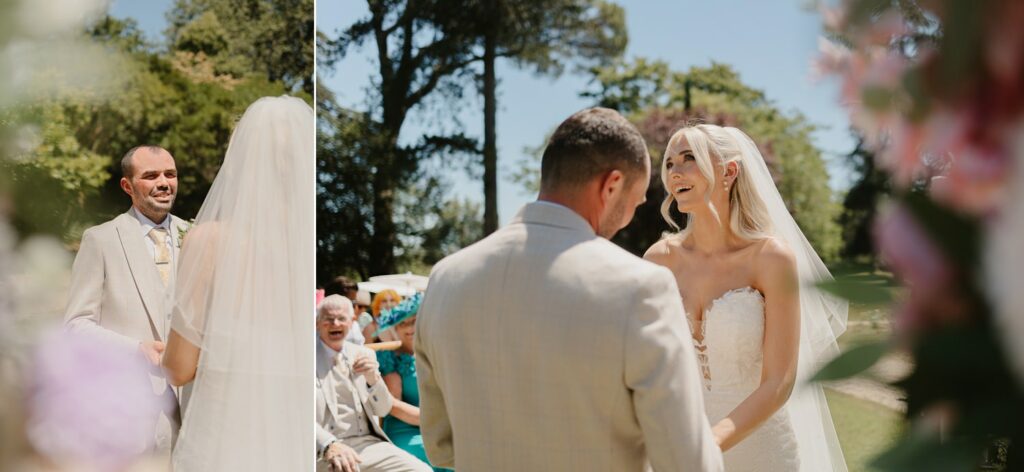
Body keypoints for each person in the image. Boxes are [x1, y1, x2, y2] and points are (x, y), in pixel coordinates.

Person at [414, 107, 724, 471]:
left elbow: (439, 447)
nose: (628, 220)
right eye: (634, 203)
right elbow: (686, 462)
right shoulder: (641, 287)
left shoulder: (445, 279)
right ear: (611, 186)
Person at [644, 124, 848, 471]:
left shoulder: (771, 258)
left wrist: (708, 444)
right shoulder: (658, 260)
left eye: (688, 158)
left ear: (730, 171)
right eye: (669, 163)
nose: (674, 172)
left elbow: (779, 382)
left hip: (760, 452)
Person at [160, 96, 314, 470]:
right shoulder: (305, 250)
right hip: (290, 437)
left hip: (223, 438)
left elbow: (179, 369)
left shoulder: (209, 241)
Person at [63, 144, 187, 458]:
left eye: (170, 174)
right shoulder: (100, 240)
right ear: (127, 186)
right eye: (151, 175)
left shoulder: (197, 235)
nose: (163, 182)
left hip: (195, 412)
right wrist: (135, 349)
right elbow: (76, 325)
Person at [315, 295, 431, 472]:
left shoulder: (364, 354)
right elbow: (292, 414)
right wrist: (328, 444)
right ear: (317, 323)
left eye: (341, 318)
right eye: (328, 319)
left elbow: (384, 408)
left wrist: (373, 379)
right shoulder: (305, 360)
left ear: (352, 321)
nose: (336, 324)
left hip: (369, 444)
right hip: (326, 449)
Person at [374, 293, 451, 471]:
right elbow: (392, 405)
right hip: (407, 430)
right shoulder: (391, 358)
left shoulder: (436, 352)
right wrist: (432, 420)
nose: (411, 328)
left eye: (414, 321)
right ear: (395, 330)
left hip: (438, 427)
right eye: (403, 323)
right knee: (436, 454)